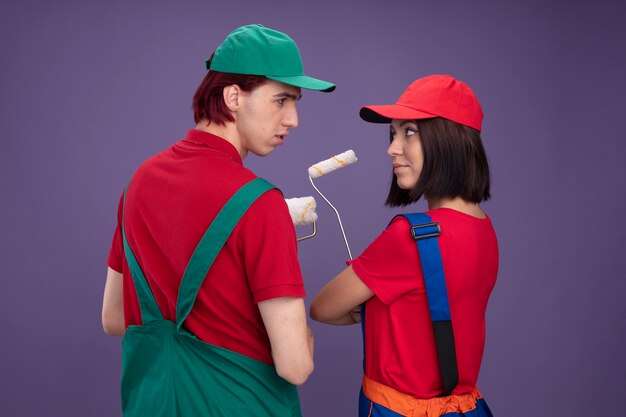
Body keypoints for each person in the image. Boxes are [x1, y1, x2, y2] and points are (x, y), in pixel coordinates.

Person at [101, 24, 335, 417]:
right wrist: (305, 337)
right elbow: (296, 366)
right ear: (233, 97)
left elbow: (113, 318)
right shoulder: (261, 204)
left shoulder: (139, 182)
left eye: (296, 102)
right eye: (281, 100)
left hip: (154, 404)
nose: (293, 119)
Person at [310, 74, 497, 417]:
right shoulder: (484, 229)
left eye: (409, 132)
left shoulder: (410, 237)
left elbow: (322, 308)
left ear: (448, 140)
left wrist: (368, 307)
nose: (392, 148)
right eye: (393, 133)